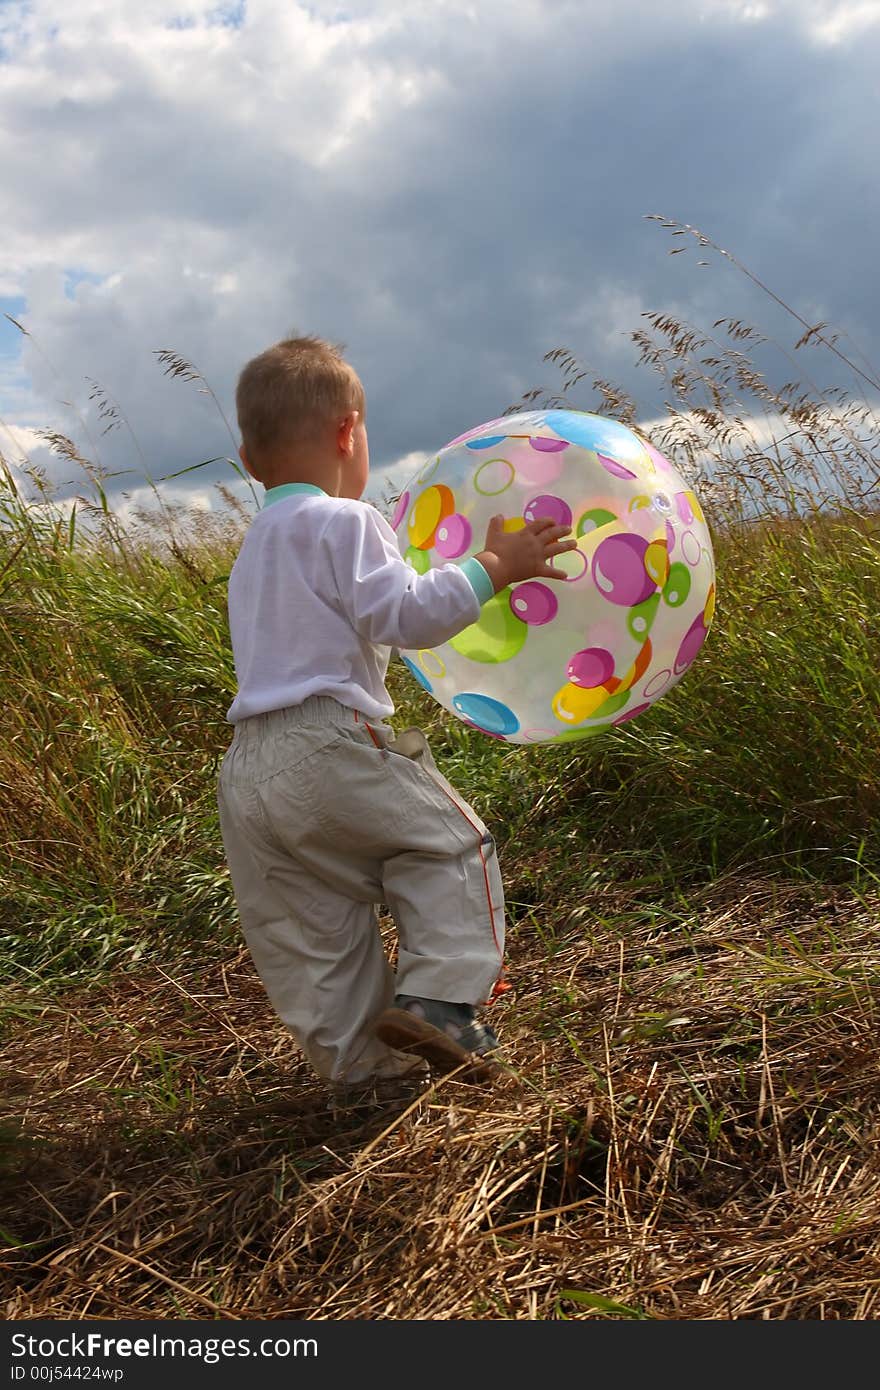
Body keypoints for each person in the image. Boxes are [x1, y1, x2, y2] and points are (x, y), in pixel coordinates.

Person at [217, 335, 576, 1103]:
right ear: (350, 431)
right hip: (328, 743)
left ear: (249, 461)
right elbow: (405, 615)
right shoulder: (343, 522)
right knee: (449, 846)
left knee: (315, 935)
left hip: (248, 773)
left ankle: (363, 1079)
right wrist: (495, 568)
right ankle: (442, 1001)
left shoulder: (253, 548)